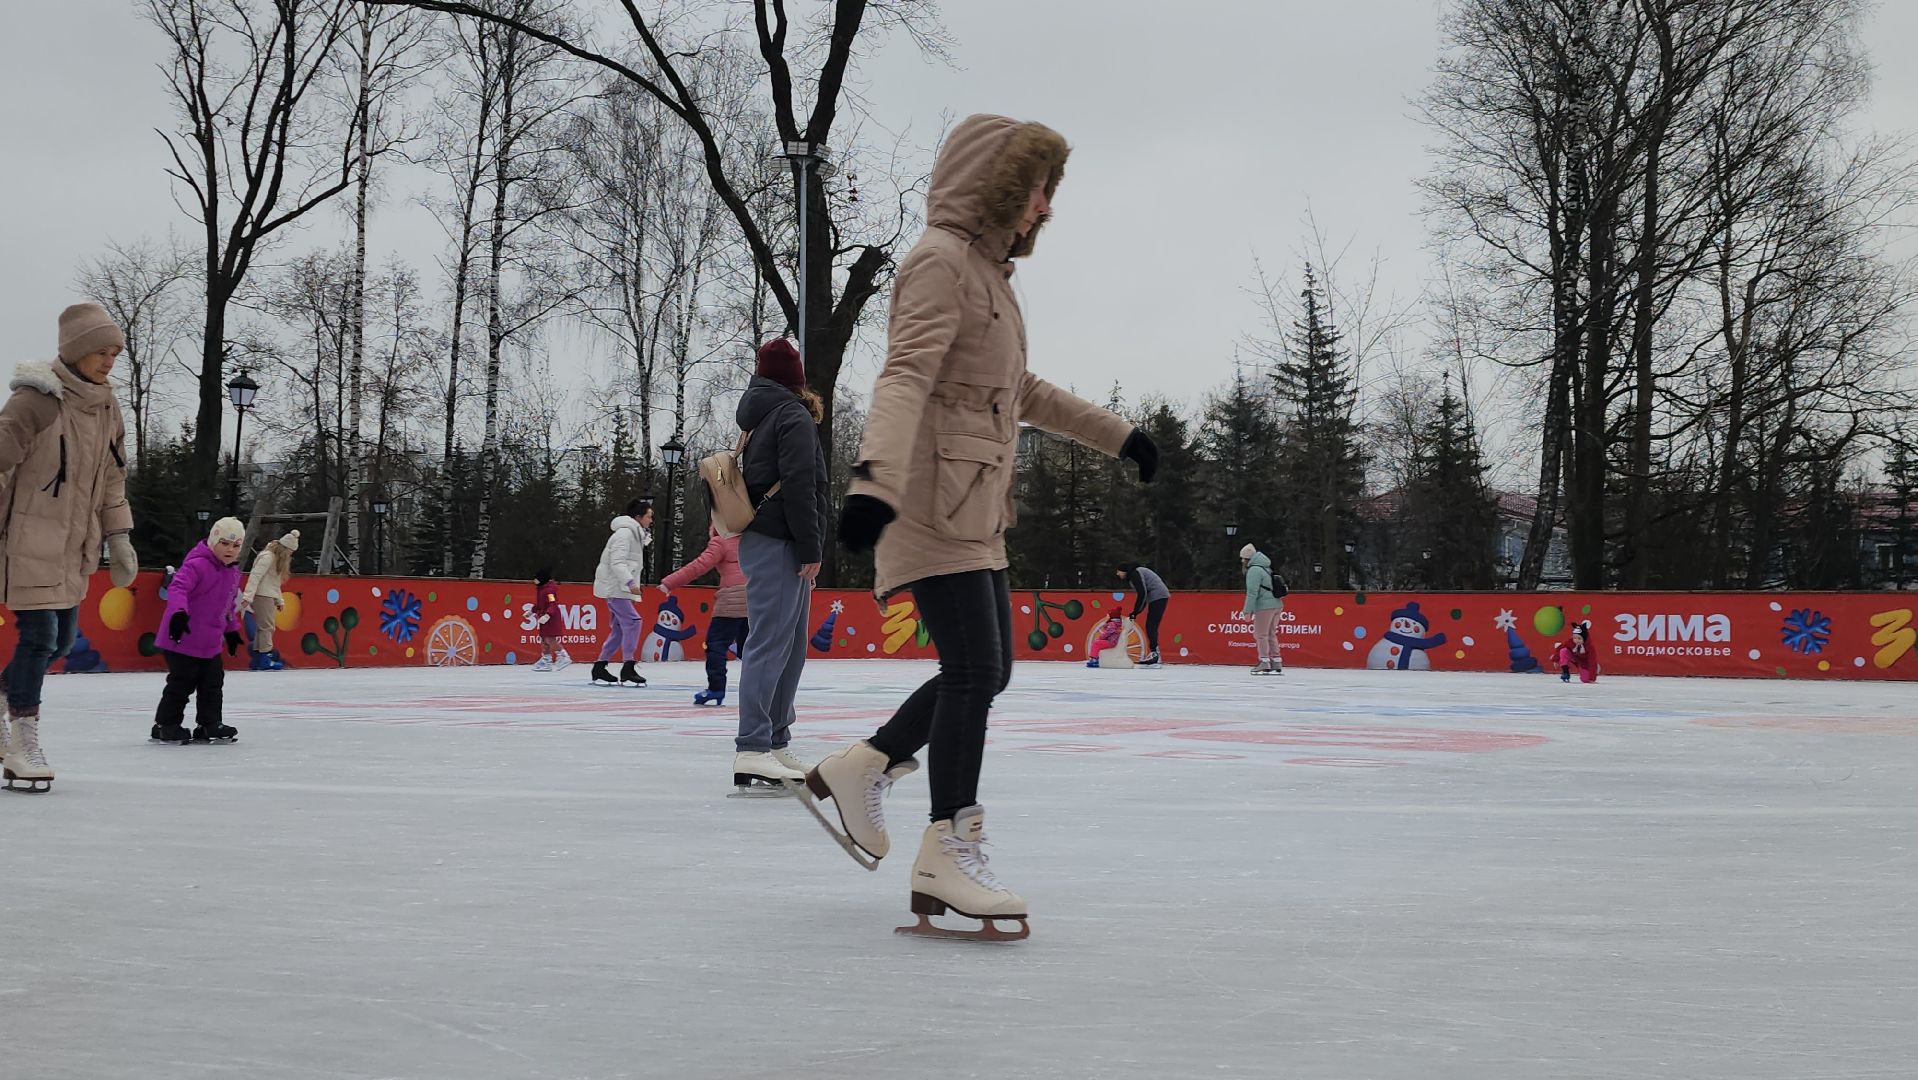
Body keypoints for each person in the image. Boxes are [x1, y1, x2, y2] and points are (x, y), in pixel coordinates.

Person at [816, 114, 1159, 939]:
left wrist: (1121, 434)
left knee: (990, 670)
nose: (1046, 205)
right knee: (974, 670)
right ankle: (947, 848)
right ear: (998, 184)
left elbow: (1023, 390)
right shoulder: (938, 262)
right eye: (1037, 186)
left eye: (1049, 190)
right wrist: (874, 484)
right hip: (928, 500)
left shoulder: (990, 276)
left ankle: (864, 764)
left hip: (975, 507)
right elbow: (904, 376)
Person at [0, 303, 138, 792]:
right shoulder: (36, 401)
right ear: (76, 351)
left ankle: (4, 704)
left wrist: (118, 536)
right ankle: (22, 740)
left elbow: (113, 479)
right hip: (28, 543)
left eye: (115, 352)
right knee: (38, 639)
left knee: (59, 643)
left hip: (76, 550)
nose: (109, 361)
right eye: (100, 351)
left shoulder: (107, 408)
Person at [730, 337, 826, 795]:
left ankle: (774, 739)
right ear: (796, 379)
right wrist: (811, 546)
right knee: (771, 642)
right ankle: (752, 743)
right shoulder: (790, 415)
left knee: (789, 646)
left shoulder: (763, 413)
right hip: (780, 541)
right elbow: (801, 483)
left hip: (772, 539)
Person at [151, 517, 248, 744]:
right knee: (182, 681)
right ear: (214, 540)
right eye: (224, 543)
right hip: (181, 636)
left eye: (235, 546)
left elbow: (227, 605)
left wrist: (232, 630)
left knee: (212, 683)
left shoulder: (233, 574)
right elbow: (178, 588)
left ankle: (209, 724)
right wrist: (178, 613)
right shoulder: (196, 565)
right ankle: (166, 724)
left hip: (210, 642)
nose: (229, 550)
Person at [662, 526, 747, 708]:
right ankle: (764, 689)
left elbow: (698, 566)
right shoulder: (753, 539)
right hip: (757, 599)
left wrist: (670, 582)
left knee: (716, 644)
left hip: (731, 601)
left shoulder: (721, 541)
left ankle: (716, 688)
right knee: (751, 649)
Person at [591, 500, 652, 687]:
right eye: (649, 516)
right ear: (638, 517)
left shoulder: (634, 534)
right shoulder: (625, 534)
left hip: (620, 589)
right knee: (633, 622)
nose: (651, 520)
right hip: (617, 588)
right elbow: (617, 562)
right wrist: (630, 582)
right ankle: (628, 666)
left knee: (619, 628)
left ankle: (600, 666)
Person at [240, 529, 299, 671]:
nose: (290, 555)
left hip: (268, 595)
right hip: (262, 595)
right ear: (285, 549)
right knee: (267, 627)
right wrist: (247, 596)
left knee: (264, 627)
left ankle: (258, 658)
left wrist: (280, 600)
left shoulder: (276, 559)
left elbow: (274, 583)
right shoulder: (268, 557)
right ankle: (265, 657)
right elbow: (255, 576)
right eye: (290, 552)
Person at [1240, 543, 1286, 675]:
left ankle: (1264, 662)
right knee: (1271, 634)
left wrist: (1247, 611)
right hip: (1276, 604)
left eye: (1243, 558)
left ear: (1247, 559)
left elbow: (1252, 593)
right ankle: (1276, 661)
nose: (1242, 561)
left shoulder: (1254, 570)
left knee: (1261, 635)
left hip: (1265, 606)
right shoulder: (1266, 567)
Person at [1117, 562, 1171, 665]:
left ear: (1124, 571)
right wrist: (1136, 613)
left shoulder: (1134, 574)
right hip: (1158, 596)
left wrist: (1135, 612)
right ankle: (1155, 653)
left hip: (1158, 596)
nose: (1117, 574)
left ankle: (1155, 654)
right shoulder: (1134, 574)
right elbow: (1144, 596)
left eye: (1118, 571)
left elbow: (1142, 594)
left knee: (1151, 626)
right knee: (1151, 626)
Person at [530, 567, 569, 671]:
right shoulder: (541, 589)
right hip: (543, 617)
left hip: (551, 618)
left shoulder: (549, 591)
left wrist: (547, 615)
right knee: (543, 639)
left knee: (549, 639)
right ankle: (546, 659)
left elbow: (553, 604)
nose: (534, 580)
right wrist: (531, 611)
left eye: (536, 578)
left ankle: (563, 656)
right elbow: (540, 604)